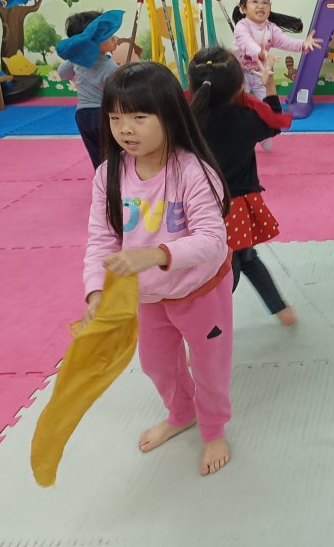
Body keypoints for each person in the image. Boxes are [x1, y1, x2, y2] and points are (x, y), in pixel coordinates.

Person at [81, 61, 234, 475]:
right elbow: (101, 240)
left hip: (200, 290)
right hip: (148, 296)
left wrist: (155, 255)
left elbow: (212, 240)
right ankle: (181, 413)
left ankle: (213, 429)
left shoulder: (193, 172)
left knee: (209, 365)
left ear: (169, 116)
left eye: (138, 117)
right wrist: (96, 292)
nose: (124, 129)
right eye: (115, 118)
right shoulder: (108, 175)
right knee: (157, 364)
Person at [188, 47, 297, 326]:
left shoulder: (186, 120)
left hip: (194, 208)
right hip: (233, 209)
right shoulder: (247, 120)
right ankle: (211, 322)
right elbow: (274, 123)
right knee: (239, 262)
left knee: (230, 262)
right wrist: (269, 86)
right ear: (238, 86)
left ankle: (274, 308)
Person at [56, 10, 123, 168]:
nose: (116, 38)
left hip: (83, 115)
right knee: (115, 153)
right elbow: (118, 93)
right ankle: (116, 178)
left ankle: (101, 178)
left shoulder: (76, 61)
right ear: (91, 43)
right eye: (109, 36)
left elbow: (62, 74)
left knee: (96, 154)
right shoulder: (110, 66)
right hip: (104, 115)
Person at [231, 0, 321, 101]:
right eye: (255, 1)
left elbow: (286, 42)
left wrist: (303, 44)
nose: (261, 6)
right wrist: (260, 53)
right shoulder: (241, 26)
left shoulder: (271, 28)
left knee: (268, 102)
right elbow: (247, 43)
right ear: (244, 8)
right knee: (239, 102)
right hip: (240, 72)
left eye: (265, 3)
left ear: (270, 8)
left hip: (261, 72)